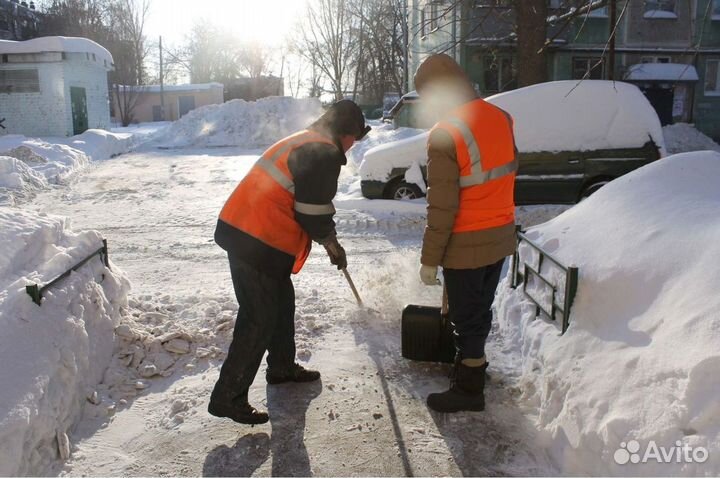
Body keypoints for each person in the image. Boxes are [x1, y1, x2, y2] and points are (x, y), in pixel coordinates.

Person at [209, 100, 370, 424]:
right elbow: (313, 210)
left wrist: (327, 240)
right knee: (259, 317)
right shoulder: (323, 151)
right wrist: (331, 243)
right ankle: (227, 396)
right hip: (254, 238)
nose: (354, 145)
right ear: (346, 133)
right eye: (355, 137)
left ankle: (281, 368)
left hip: (255, 234)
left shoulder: (308, 140)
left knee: (281, 303)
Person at [415, 54, 518, 413]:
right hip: (500, 235)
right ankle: (472, 365)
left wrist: (430, 260)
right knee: (479, 309)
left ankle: (469, 390)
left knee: (466, 316)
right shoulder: (501, 117)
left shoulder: (446, 133)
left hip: (466, 242)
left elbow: (441, 208)